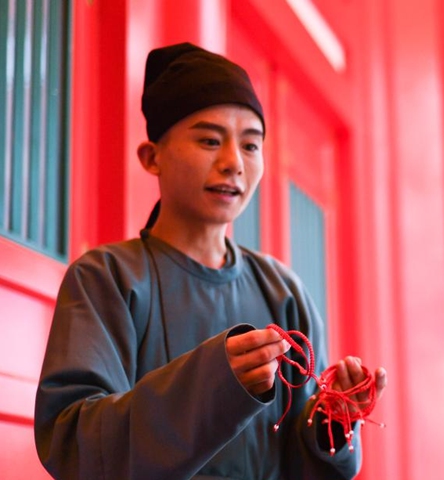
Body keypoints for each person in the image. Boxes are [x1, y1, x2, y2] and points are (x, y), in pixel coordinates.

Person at [34, 42, 387, 480]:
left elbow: (301, 460)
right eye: (209, 140)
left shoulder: (283, 290)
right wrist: (216, 382)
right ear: (152, 157)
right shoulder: (106, 278)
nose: (232, 163)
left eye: (251, 146)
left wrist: (334, 422)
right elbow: (75, 443)